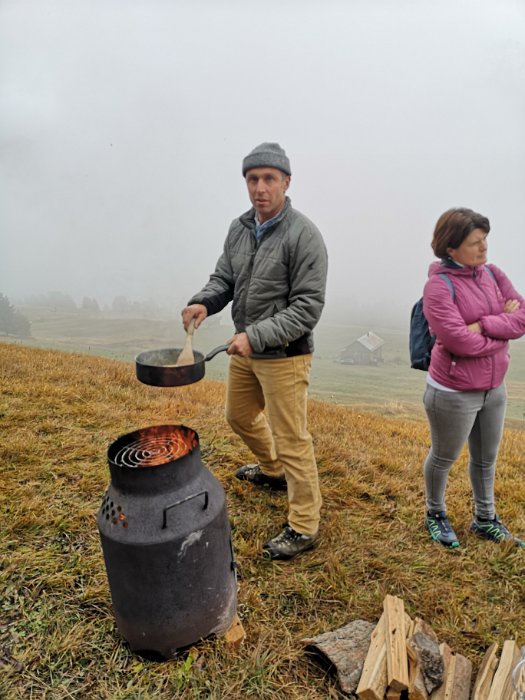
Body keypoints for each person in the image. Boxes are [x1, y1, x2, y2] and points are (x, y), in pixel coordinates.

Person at [181, 143, 328, 560]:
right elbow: (225, 278)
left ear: (286, 182)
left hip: (284, 354)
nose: (260, 188)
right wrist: (204, 303)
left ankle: (304, 524)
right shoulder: (240, 227)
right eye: (252, 179)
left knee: (293, 436)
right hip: (247, 349)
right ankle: (273, 470)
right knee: (239, 415)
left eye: (269, 179)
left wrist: (255, 337)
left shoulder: (304, 235)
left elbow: (307, 309)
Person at [422, 207, 525, 549]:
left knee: (486, 459)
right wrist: (500, 325)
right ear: (451, 248)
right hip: (452, 392)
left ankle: (485, 519)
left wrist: (484, 324)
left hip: (494, 388)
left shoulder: (493, 274)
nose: (484, 249)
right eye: (474, 242)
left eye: (485, 240)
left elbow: (521, 318)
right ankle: (435, 513)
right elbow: (458, 341)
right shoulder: (439, 287)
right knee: (444, 457)